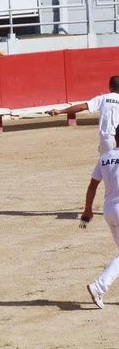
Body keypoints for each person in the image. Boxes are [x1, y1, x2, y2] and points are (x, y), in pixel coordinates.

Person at [79, 124, 119, 309]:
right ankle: (99, 286)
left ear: (116, 138)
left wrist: (88, 210)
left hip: (109, 210)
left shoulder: (105, 158)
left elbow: (92, 186)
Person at [47, 76, 119, 155]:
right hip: (115, 137)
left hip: (108, 137)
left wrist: (61, 111)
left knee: (108, 165)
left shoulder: (103, 98)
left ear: (110, 87)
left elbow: (82, 107)